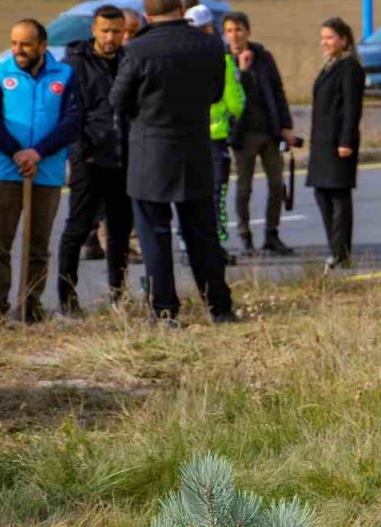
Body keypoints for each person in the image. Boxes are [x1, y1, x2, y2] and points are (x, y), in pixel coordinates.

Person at [111, 0, 235, 324]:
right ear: (183, 9)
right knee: (202, 235)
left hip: (150, 152)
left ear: (147, 14)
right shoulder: (209, 44)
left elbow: (117, 100)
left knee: (154, 235)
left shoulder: (137, 50)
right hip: (194, 149)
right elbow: (216, 94)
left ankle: (164, 310)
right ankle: (219, 307)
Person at [0, 19, 82, 327]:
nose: (17, 50)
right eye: (13, 43)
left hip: (46, 170)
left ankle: (31, 307)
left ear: (42, 45)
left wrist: (38, 152)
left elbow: (72, 121)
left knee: (38, 245)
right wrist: (16, 152)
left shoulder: (65, 75)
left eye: (24, 44)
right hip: (6, 170)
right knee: (0, 243)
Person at [56, 5, 134, 316]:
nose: (111, 37)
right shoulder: (74, 65)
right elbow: (66, 114)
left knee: (118, 232)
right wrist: (81, 150)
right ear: (94, 30)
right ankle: (67, 300)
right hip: (88, 160)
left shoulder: (130, 62)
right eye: (105, 31)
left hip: (123, 160)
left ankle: (118, 296)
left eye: (117, 31)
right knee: (76, 229)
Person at [222, 11, 296, 256]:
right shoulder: (223, 60)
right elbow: (229, 96)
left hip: (269, 131)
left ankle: (272, 235)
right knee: (244, 189)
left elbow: (277, 91)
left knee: (277, 185)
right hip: (242, 135)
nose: (235, 35)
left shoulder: (263, 57)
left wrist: (285, 125)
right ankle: (245, 237)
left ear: (248, 31)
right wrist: (241, 72)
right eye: (230, 30)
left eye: (239, 29)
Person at [186, 5, 244, 265]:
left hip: (186, 138)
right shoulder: (221, 58)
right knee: (215, 196)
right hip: (215, 138)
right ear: (210, 28)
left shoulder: (177, 56)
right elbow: (235, 102)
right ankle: (216, 247)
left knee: (190, 197)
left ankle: (190, 245)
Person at [308, 17, 365, 270]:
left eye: (330, 37)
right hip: (322, 142)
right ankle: (335, 248)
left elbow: (352, 108)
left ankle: (341, 253)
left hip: (339, 142)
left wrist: (346, 140)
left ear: (343, 39)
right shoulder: (330, 65)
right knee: (322, 193)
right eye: (323, 38)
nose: (325, 42)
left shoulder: (350, 67)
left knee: (338, 196)